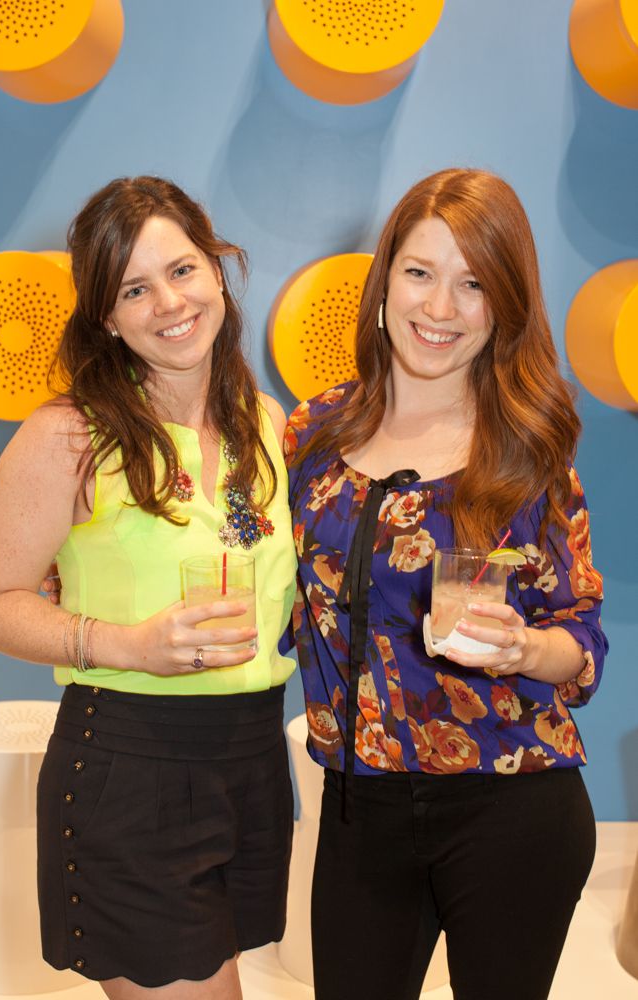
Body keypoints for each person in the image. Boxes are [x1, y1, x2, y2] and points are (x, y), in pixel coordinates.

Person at [0, 176, 297, 1000]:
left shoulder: (266, 421)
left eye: (181, 270)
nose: (169, 303)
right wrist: (127, 645)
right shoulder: (68, 435)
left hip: (252, 762)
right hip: (131, 768)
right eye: (133, 289)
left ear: (217, 270)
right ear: (106, 318)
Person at [284, 168, 607, 1000]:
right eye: (420, 272)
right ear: (384, 280)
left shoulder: (527, 450)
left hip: (511, 805)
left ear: (503, 304)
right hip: (358, 806)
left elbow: (582, 641)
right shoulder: (313, 433)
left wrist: (525, 648)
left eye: (472, 284)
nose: (439, 307)